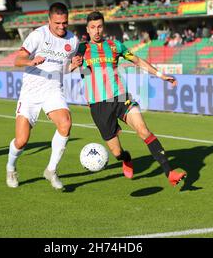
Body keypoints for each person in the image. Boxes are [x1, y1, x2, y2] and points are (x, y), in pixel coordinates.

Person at [76, 11, 186, 187]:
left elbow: (138, 61)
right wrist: (76, 66)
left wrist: (160, 75)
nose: (96, 31)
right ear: (87, 29)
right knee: (116, 151)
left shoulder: (115, 46)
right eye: (92, 27)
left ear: (103, 27)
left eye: (99, 27)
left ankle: (170, 172)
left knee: (143, 130)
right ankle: (126, 158)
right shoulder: (82, 49)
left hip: (120, 97)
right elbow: (80, 73)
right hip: (99, 105)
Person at [6, 2, 82, 189]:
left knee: (65, 123)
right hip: (30, 92)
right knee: (22, 140)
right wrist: (32, 60)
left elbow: (62, 68)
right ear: (49, 20)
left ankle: (51, 170)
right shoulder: (38, 35)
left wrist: (72, 66)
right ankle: (10, 167)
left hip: (53, 89)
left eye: (64, 23)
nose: (61, 27)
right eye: (57, 23)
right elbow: (17, 60)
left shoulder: (73, 41)